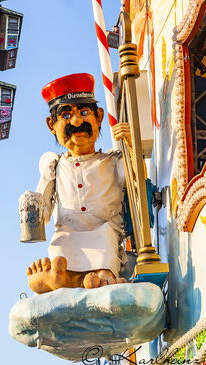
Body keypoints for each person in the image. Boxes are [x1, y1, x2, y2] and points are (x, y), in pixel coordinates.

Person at [23, 73, 130, 294]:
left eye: (84, 112)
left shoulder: (114, 160)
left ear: (99, 116)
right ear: (51, 124)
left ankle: (98, 276)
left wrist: (132, 145)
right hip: (68, 230)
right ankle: (62, 277)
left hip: (104, 226)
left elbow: (137, 187)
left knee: (106, 244)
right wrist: (31, 207)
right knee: (62, 245)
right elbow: (43, 207)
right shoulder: (54, 164)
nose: (77, 122)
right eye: (66, 115)